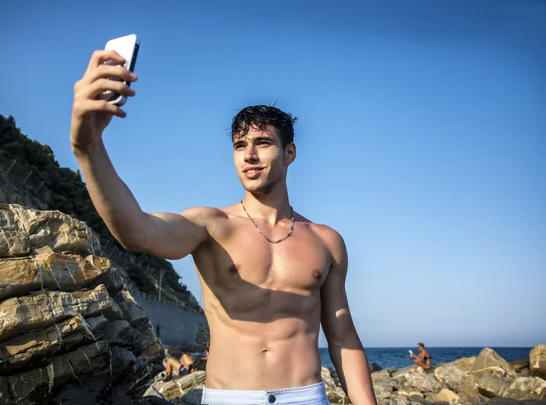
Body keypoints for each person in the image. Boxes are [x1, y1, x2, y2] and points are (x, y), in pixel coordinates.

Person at [70, 49, 377, 405]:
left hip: (305, 396)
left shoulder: (326, 241)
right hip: (230, 397)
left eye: (262, 143)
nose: (249, 155)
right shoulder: (211, 225)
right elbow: (137, 232)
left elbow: (342, 337)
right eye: (239, 145)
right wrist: (87, 147)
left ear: (290, 153)